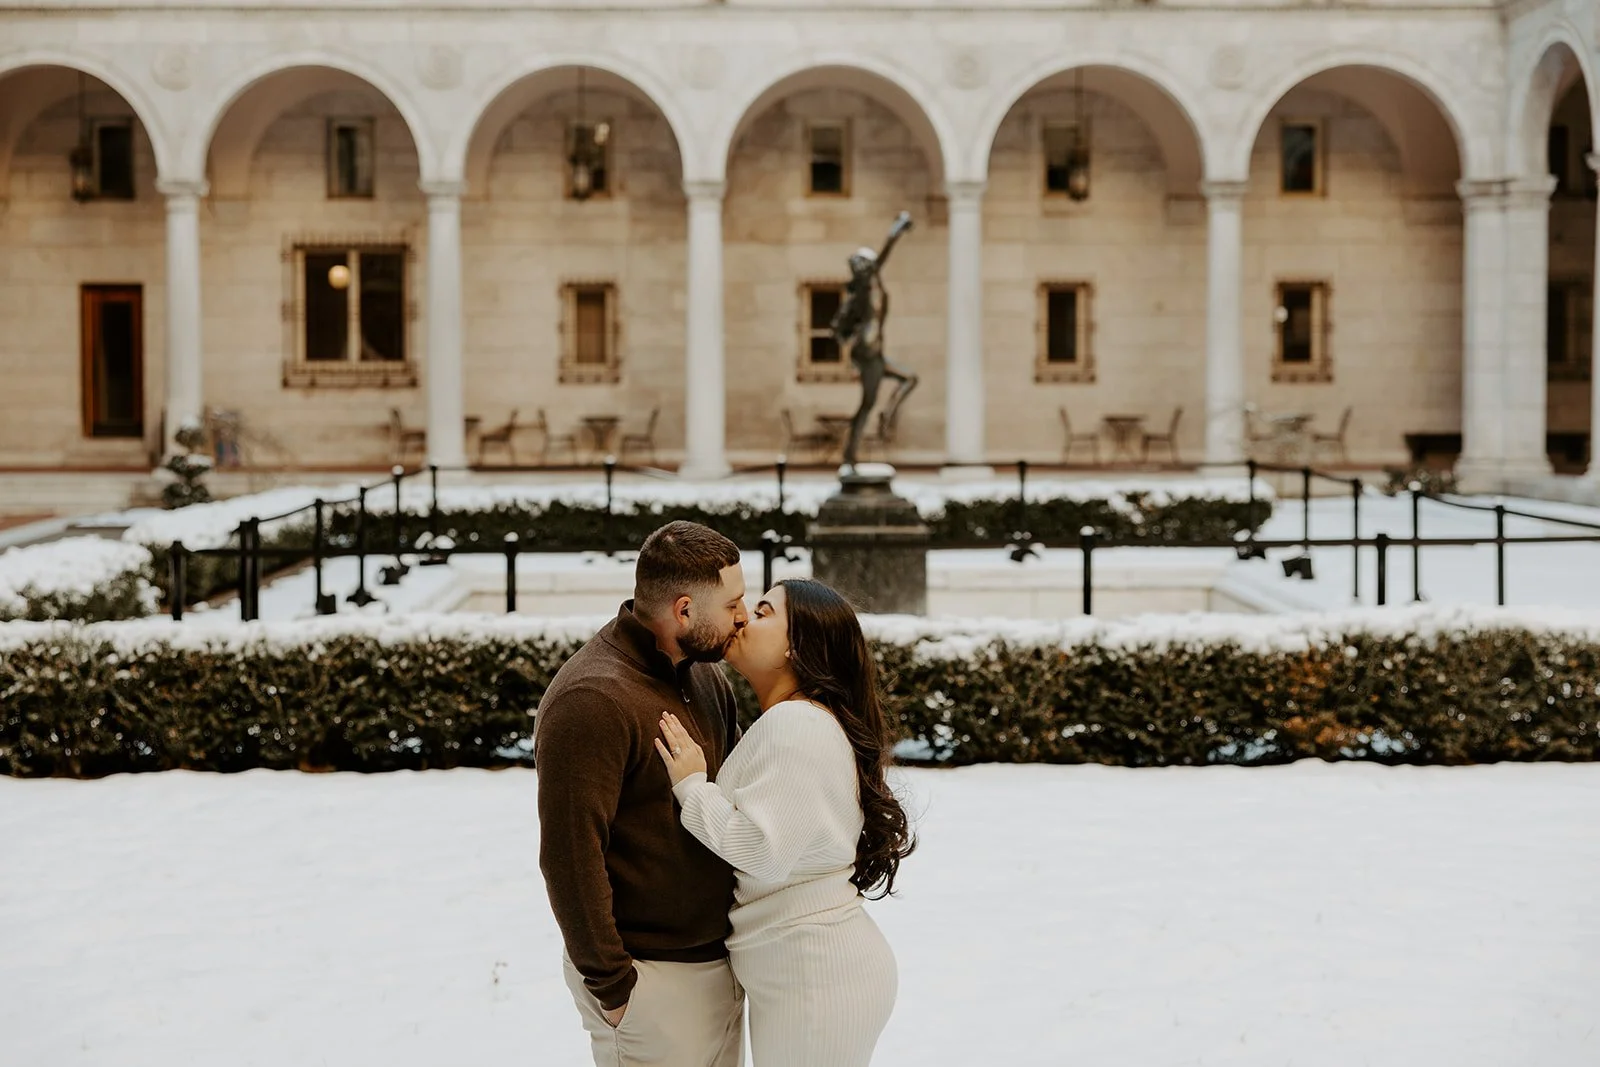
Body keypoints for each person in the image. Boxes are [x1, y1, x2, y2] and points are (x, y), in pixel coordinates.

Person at [656, 578, 915, 1067]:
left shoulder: (796, 724)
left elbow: (764, 852)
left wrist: (692, 787)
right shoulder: (800, 720)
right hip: (808, 967)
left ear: (797, 646)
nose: (741, 619)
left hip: (815, 974)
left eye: (763, 612)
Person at [535, 520, 750, 1067]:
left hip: (721, 966)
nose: (743, 616)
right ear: (684, 611)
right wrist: (613, 987)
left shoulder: (705, 677)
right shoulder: (592, 700)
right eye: (732, 603)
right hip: (647, 981)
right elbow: (569, 853)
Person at [832, 210, 919, 470]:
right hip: (868, 351)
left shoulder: (871, 285)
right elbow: (886, 250)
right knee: (867, 404)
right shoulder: (865, 286)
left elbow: (838, 326)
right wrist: (899, 226)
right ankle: (850, 453)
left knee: (909, 379)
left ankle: (886, 417)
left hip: (874, 351)